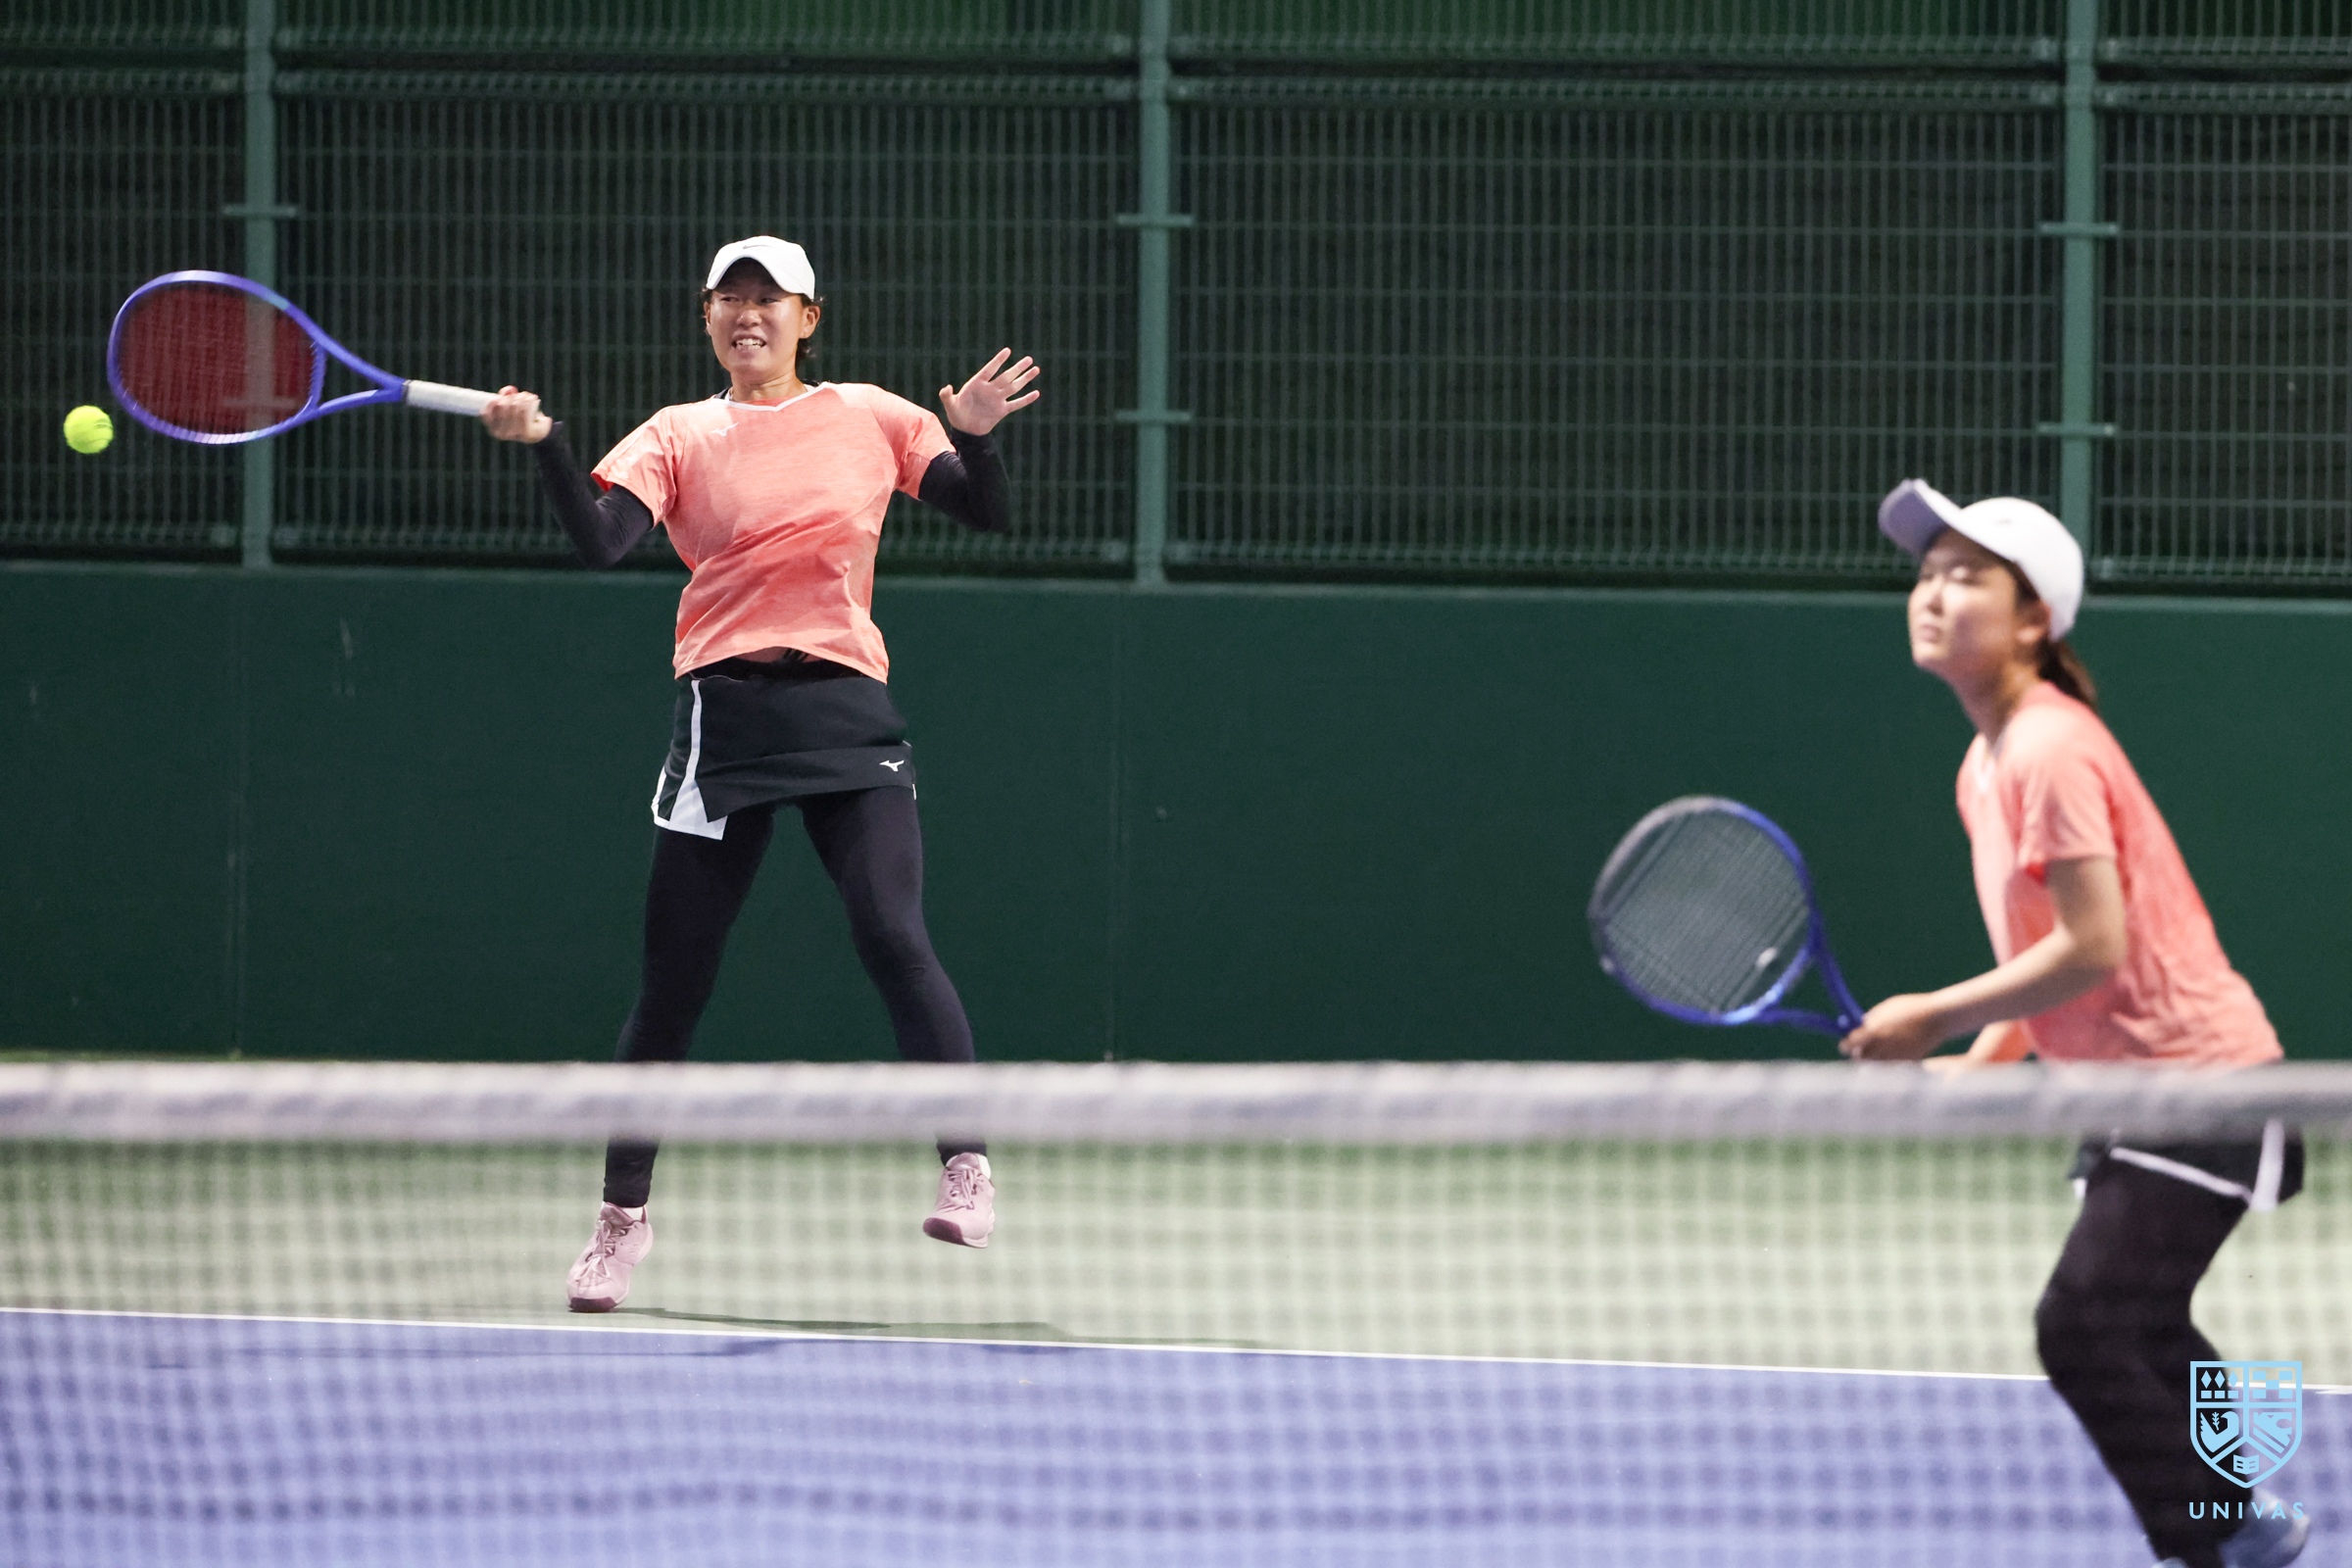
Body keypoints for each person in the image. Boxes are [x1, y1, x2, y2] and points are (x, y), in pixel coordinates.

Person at [479, 235, 1040, 1312]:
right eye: (729, 298)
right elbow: (601, 542)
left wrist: (975, 438)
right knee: (675, 983)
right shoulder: (676, 433)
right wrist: (547, 444)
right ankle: (620, 1220)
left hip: (844, 707)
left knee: (892, 931)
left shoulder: (872, 415)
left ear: (807, 318)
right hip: (725, 720)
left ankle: (966, 1163)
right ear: (706, 316)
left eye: (769, 299)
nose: (749, 314)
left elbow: (986, 509)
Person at [1841, 480, 2309, 1568]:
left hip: (2202, 1085)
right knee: (2144, 1321)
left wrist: (1930, 1017)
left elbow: (2094, 944)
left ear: (2033, 621)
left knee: (2082, 1324)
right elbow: (2039, 957)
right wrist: (1978, 1062)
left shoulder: (2049, 746)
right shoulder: (1985, 765)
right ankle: (2244, 1520)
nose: (1933, 594)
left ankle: (2210, 1541)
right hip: (2130, 1094)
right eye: (1927, 574)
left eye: (1968, 577)